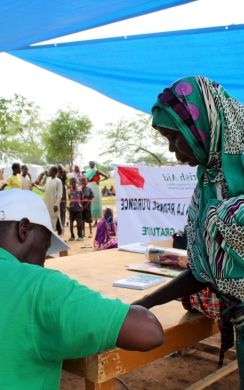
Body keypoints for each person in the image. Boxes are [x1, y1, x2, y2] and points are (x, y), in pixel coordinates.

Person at [134, 76, 244, 386]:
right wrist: (141, 306)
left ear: (202, 127)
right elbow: (203, 270)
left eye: (174, 137)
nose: (172, 150)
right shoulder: (209, 183)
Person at [0, 189, 164, 389]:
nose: (44, 261)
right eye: (45, 246)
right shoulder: (39, 286)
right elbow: (149, 332)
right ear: (23, 229)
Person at [36, 166, 63, 232]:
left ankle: (56, 232)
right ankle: (50, 231)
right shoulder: (48, 179)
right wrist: (36, 186)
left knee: (55, 218)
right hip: (47, 203)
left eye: (50, 171)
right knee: (48, 218)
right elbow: (44, 189)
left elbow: (60, 194)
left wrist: (56, 204)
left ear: (54, 172)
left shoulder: (58, 181)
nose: (49, 172)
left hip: (53, 204)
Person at [85, 161, 108, 226]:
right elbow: (86, 179)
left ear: (94, 165)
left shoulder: (96, 171)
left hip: (95, 187)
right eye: (90, 164)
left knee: (96, 203)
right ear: (89, 165)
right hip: (89, 187)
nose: (91, 165)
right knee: (90, 203)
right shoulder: (87, 171)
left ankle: (96, 221)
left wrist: (99, 181)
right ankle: (90, 219)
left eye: (92, 164)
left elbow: (106, 177)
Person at [68, 177, 83, 241]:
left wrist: (81, 205)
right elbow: (69, 199)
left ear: (76, 182)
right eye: (72, 182)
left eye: (74, 182)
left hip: (78, 209)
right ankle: (72, 236)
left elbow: (81, 198)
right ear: (70, 183)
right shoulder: (69, 191)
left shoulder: (79, 190)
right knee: (71, 224)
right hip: (71, 209)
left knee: (79, 223)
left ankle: (80, 236)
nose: (73, 183)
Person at [57, 164, 67, 233]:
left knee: (63, 210)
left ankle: (62, 225)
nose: (59, 170)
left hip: (63, 194)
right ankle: (59, 226)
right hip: (57, 194)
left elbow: (65, 175)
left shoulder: (63, 176)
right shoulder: (56, 176)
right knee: (58, 210)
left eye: (60, 169)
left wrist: (63, 170)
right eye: (58, 169)